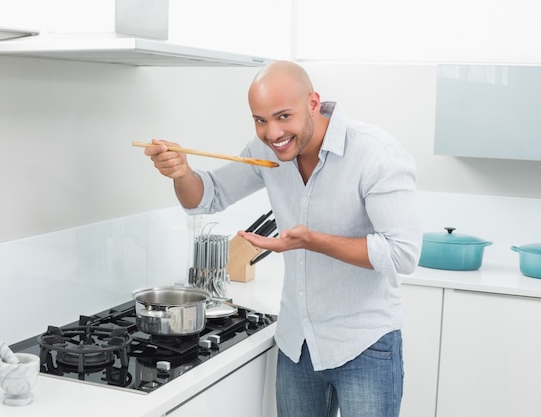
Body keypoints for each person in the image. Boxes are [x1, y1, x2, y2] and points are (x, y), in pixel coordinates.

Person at [142, 60, 423, 417]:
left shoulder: (375, 153)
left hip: (365, 345)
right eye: (260, 120)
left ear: (313, 103)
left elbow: (403, 254)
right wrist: (181, 172)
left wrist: (312, 240)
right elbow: (206, 197)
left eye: (283, 116)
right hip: (297, 345)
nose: (272, 133)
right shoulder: (265, 153)